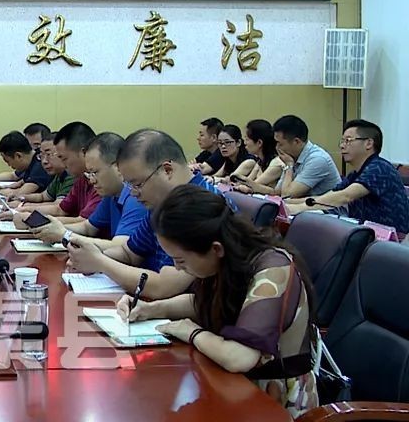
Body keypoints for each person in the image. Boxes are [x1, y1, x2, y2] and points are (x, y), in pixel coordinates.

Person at [120, 185, 318, 417]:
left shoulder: (274, 269)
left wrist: (191, 332)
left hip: (273, 400)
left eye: (181, 260)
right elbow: (202, 303)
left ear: (216, 249)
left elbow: (240, 357)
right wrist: (151, 309)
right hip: (230, 385)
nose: (177, 268)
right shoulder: (227, 259)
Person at [61, 129, 230, 300]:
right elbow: (129, 253)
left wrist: (100, 262)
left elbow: (164, 287)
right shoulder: (161, 203)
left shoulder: (202, 205)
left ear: (167, 170)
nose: (133, 193)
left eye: (137, 184)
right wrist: (88, 258)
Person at [286, 119, 409, 234]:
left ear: (368, 143)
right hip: (367, 235)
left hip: (391, 241)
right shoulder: (355, 174)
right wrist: (287, 202)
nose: (342, 146)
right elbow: (327, 197)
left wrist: (296, 208)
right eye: (342, 141)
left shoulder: (379, 168)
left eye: (348, 140)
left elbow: (345, 196)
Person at [34, 132, 148, 251]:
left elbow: (122, 248)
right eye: (89, 173)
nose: (91, 180)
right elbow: (88, 227)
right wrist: (52, 229)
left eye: (95, 172)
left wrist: (65, 235)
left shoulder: (136, 196)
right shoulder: (111, 194)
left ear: (118, 167)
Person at [12, 122, 97, 222]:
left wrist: (33, 219)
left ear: (83, 153)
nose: (64, 164)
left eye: (64, 158)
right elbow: (60, 209)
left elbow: (86, 224)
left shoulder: (101, 182)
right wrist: (24, 210)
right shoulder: (81, 179)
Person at [272, 115, 340, 198]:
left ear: (296, 142)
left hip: (328, 206)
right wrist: (288, 166)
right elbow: (278, 191)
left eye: (280, 144)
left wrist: (289, 166)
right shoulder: (292, 157)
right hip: (304, 204)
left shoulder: (317, 159)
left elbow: (286, 195)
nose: (277, 148)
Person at [231, 119, 284, 194]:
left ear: (259, 143)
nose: (244, 143)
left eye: (247, 139)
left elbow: (252, 185)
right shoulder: (260, 161)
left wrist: (239, 180)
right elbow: (249, 180)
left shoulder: (277, 163)